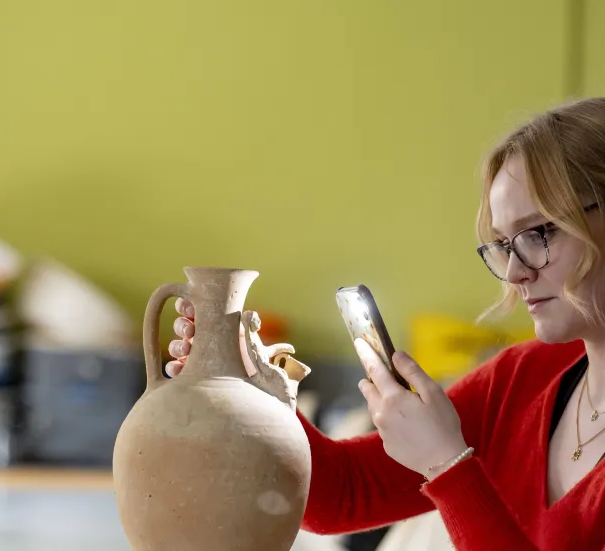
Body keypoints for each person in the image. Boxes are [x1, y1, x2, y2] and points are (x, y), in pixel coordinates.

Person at [164, 97, 605, 550]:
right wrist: (254, 391)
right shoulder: (523, 378)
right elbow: (341, 494)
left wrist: (447, 465)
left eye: (539, 232)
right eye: (504, 244)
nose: (515, 272)